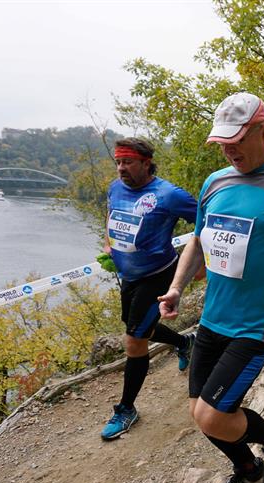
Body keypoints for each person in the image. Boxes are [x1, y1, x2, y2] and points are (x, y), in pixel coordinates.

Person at [158, 92, 264, 483]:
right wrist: (176, 288)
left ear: (263, 132)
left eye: (236, 140)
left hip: (257, 323)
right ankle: (250, 470)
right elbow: (197, 240)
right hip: (213, 317)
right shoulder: (214, 182)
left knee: (214, 416)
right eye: (223, 143)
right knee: (199, 413)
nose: (229, 150)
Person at [100, 138, 198, 440]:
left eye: (127, 162)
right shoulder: (115, 188)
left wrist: (203, 262)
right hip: (129, 276)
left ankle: (126, 408)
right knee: (137, 327)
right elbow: (111, 214)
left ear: (146, 162)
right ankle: (184, 342)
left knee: (134, 340)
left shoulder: (168, 195)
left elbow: (206, 221)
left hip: (159, 275)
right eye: (118, 162)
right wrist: (110, 244)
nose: (121, 168)